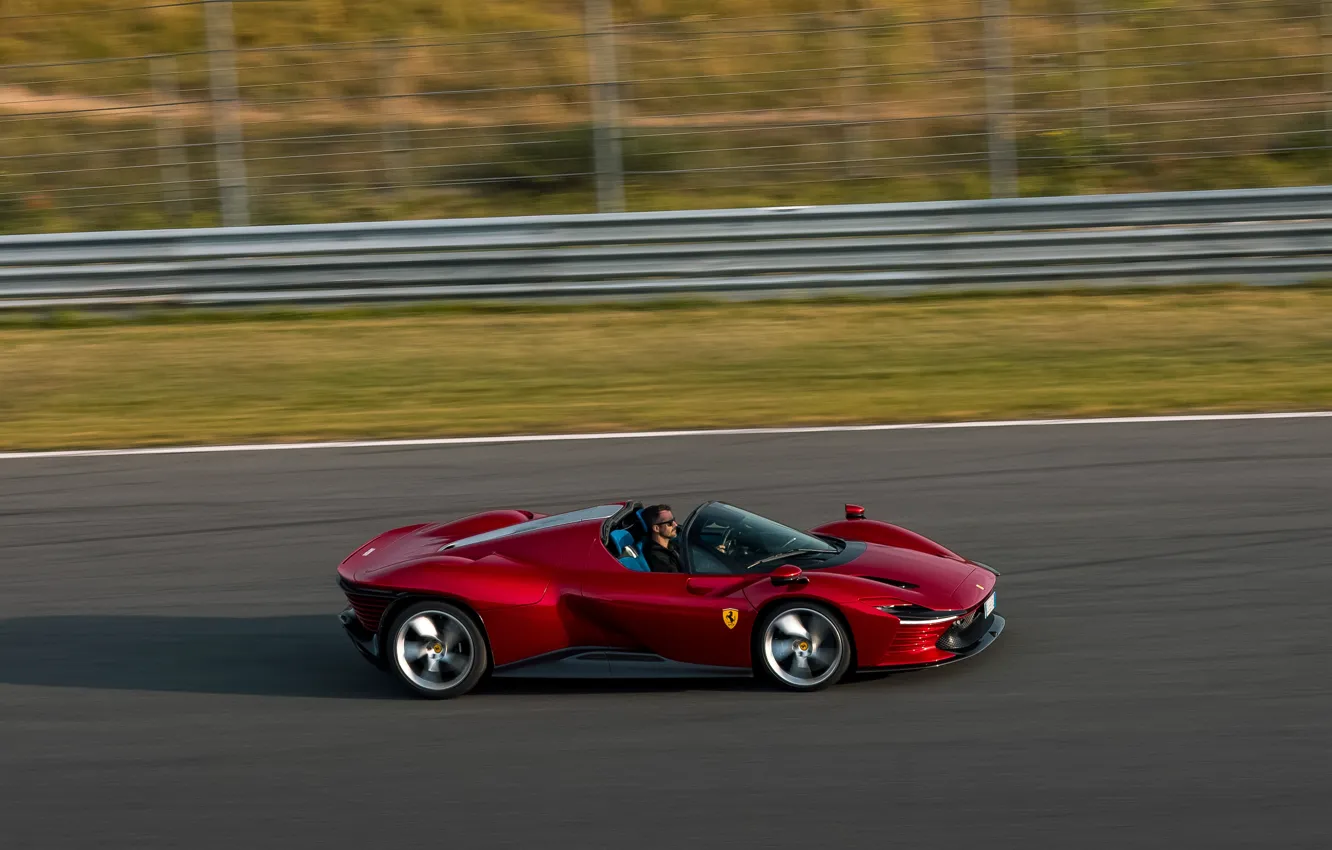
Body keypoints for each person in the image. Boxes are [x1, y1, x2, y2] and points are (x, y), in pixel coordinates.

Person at [641, 504, 685, 573]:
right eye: (669, 523)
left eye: (674, 520)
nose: (675, 525)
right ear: (656, 528)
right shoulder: (658, 559)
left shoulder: (670, 545)